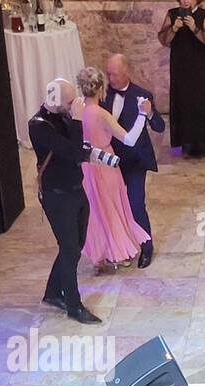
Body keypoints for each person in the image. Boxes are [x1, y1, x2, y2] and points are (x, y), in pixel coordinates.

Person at [28, 78, 112, 324]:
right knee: (69, 248)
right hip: (57, 195)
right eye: (68, 102)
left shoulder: (62, 114)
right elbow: (75, 152)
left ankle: (53, 292)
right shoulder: (39, 125)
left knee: (76, 244)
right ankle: (74, 306)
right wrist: (76, 119)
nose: (72, 105)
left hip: (75, 188)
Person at [73, 66, 151, 271]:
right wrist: (142, 115)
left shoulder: (76, 112)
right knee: (112, 209)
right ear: (100, 89)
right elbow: (130, 139)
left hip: (86, 167)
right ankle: (116, 253)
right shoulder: (101, 114)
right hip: (106, 167)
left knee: (94, 212)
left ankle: (98, 255)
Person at [104, 54, 164, 268]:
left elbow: (159, 126)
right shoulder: (103, 94)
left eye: (115, 74)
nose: (111, 79)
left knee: (136, 203)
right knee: (112, 205)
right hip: (110, 160)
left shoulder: (142, 95)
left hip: (135, 160)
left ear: (127, 72)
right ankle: (119, 247)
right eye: (108, 73)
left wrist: (148, 114)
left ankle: (146, 247)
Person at [159, 1, 205, 159]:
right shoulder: (172, 14)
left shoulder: (204, 15)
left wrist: (194, 27)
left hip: (201, 68)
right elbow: (163, 39)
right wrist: (174, 28)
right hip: (180, 68)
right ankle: (187, 143)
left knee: (204, 102)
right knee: (183, 102)